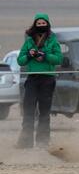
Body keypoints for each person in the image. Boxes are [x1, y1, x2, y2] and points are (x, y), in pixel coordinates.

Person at [16, 13, 63, 149]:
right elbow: (20, 60)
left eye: (43, 23)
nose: (41, 25)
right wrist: (29, 55)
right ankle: (25, 143)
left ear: (47, 25)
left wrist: (46, 55)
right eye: (39, 23)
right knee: (28, 111)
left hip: (47, 79)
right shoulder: (29, 41)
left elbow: (58, 59)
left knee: (44, 113)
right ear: (35, 25)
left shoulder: (53, 40)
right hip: (32, 79)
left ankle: (43, 143)